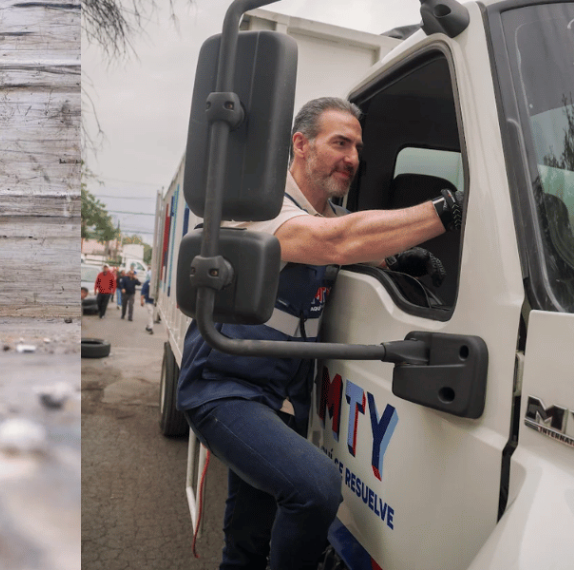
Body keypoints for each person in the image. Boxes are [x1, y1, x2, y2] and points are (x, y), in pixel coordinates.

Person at [177, 97, 459, 570]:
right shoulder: (262, 207)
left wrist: (398, 260)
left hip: (278, 397)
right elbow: (334, 241)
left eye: (357, 147)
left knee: (248, 537)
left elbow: (348, 239)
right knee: (315, 488)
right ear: (301, 144)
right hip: (224, 389)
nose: (352, 157)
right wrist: (446, 210)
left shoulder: (326, 215)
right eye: (340, 143)